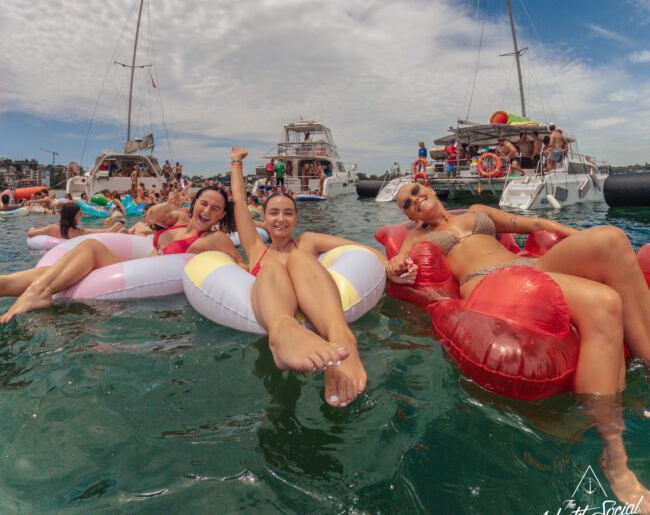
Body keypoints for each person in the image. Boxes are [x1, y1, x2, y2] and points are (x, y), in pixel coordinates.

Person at [387, 182, 650, 508]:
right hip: (490, 283)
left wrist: (577, 235)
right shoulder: (419, 235)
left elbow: (537, 224)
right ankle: (614, 454)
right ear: (408, 214)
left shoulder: (477, 213)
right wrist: (396, 266)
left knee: (611, 237)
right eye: (406, 204)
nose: (414, 200)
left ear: (425, 184)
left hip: (529, 266)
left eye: (414, 191)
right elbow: (399, 259)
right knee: (604, 302)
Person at [230, 147, 413, 409]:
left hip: (317, 301)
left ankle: (342, 337)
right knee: (272, 268)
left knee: (299, 258)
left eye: (288, 213)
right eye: (274, 213)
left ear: (295, 218)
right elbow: (238, 202)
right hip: (276, 307)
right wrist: (236, 163)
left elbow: (358, 249)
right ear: (264, 218)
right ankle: (282, 333)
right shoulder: (256, 250)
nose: (281, 219)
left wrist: (389, 267)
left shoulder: (307, 241)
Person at [0, 187, 244, 324]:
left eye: (215, 209)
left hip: (144, 277)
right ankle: (5, 284)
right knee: (56, 269)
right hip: (133, 265)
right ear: (194, 204)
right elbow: (152, 218)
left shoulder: (214, 238)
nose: (207, 211)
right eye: (203, 203)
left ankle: (37, 295)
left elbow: (238, 263)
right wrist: (171, 203)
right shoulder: (179, 220)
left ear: (222, 216)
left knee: (90, 247)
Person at [27, 202, 125, 240]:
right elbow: (104, 233)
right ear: (72, 216)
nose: (82, 216)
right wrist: (115, 226)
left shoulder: (52, 228)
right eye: (80, 214)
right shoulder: (79, 232)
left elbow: (30, 233)